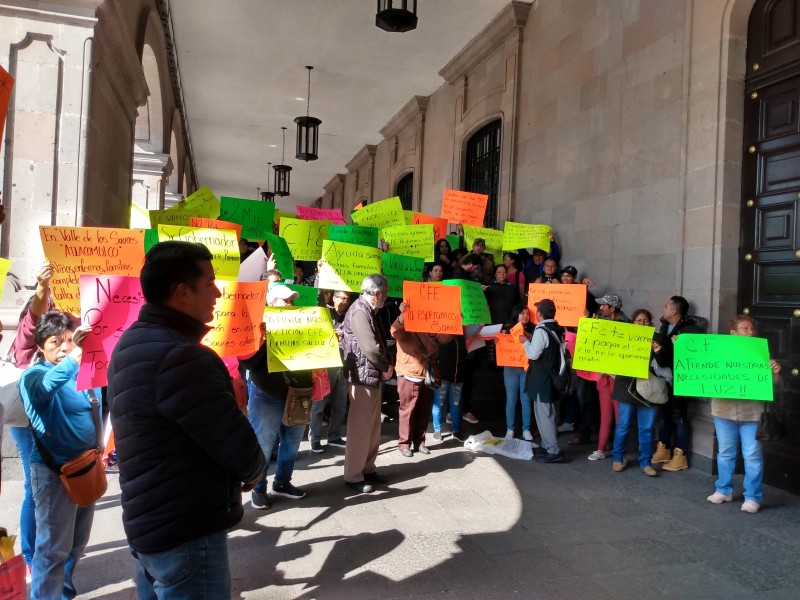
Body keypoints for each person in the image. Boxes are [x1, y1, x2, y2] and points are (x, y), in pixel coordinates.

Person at [107, 241, 266, 598]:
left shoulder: (132, 340)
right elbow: (234, 442)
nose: (218, 290)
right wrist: (253, 470)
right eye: (209, 282)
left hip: (152, 521)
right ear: (182, 293)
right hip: (185, 527)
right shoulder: (182, 356)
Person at [19, 311, 94, 599]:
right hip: (54, 474)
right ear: (40, 345)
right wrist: (76, 354)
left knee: (76, 544)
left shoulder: (84, 370)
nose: (64, 347)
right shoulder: (33, 376)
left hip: (86, 469)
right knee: (52, 550)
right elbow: (44, 390)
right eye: (55, 342)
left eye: (68, 340)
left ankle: (62, 592)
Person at [239, 282, 311, 509]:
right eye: (285, 301)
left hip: (298, 393)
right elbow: (248, 362)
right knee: (264, 444)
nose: (291, 304)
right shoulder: (257, 328)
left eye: (292, 301)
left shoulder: (304, 325)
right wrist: (263, 341)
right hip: (267, 394)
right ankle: (259, 488)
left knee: (291, 442)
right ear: (271, 304)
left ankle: (283, 482)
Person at [7, 263, 55, 578]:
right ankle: (30, 555)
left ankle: (49, 551)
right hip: (27, 421)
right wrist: (41, 289)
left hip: (58, 419)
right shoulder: (31, 328)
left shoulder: (73, 325)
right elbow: (36, 314)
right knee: (33, 485)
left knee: (51, 488)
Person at [707, 315, 781, 514]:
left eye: (751, 328)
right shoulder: (718, 351)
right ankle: (723, 490)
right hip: (723, 410)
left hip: (752, 413)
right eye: (744, 328)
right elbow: (700, 367)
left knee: (753, 455)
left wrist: (774, 371)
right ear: (733, 332)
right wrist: (680, 344)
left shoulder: (760, 353)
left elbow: (772, 382)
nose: (749, 332)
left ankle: (753, 497)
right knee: (725, 453)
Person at [341, 274, 394, 493]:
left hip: (369, 375)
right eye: (385, 293)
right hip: (363, 377)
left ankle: (368, 468)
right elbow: (370, 347)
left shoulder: (368, 310)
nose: (386, 297)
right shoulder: (361, 311)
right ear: (377, 294)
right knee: (360, 429)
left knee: (372, 427)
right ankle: (353, 476)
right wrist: (386, 366)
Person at [391, 302, 453, 457]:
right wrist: (404, 315)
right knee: (408, 410)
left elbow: (444, 338)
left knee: (424, 409)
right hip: (409, 372)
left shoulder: (432, 320)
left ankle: (420, 442)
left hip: (427, 373)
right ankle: (404, 443)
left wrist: (454, 322)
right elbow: (395, 332)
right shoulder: (406, 319)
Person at [651, 295, 704, 471]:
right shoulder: (665, 326)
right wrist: (658, 351)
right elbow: (665, 359)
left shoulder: (690, 330)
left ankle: (680, 455)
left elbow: (694, 355)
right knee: (664, 414)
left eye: (666, 307)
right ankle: (664, 448)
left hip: (681, 381)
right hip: (665, 378)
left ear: (674, 311)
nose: (663, 309)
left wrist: (678, 346)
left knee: (679, 416)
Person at [610, 311, 662, 476]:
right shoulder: (623, 339)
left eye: (645, 320)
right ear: (633, 323)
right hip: (627, 389)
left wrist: (659, 353)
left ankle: (645, 462)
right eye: (638, 320)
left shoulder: (658, 340)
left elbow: (664, 366)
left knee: (646, 429)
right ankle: (618, 458)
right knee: (623, 425)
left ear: (650, 324)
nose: (641, 323)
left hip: (649, 392)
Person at [586, 293, 630, 461]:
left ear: (612, 308)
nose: (601, 308)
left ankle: (620, 453)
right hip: (604, 378)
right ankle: (601, 449)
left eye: (604, 305)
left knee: (620, 418)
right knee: (605, 416)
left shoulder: (627, 326)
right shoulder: (603, 322)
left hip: (619, 379)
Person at [522, 299, 564, 463]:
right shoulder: (556, 328)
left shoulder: (542, 330)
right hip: (552, 378)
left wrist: (525, 342)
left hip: (542, 379)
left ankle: (553, 449)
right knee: (551, 413)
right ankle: (547, 445)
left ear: (539, 314)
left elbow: (533, 354)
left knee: (544, 415)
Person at [309, 289, 351, 453]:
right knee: (319, 405)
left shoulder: (350, 316)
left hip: (343, 365)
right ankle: (315, 440)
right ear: (333, 298)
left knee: (340, 405)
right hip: (325, 366)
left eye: (347, 299)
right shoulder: (324, 313)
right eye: (342, 298)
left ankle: (334, 437)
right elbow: (317, 300)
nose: (345, 301)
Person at [432, 323, 480, 442]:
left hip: (458, 376)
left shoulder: (462, 330)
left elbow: (476, 328)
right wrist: (454, 325)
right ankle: (437, 431)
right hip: (442, 375)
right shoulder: (440, 329)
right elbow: (442, 340)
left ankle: (457, 431)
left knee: (455, 404)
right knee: (439, 403)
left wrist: (482, 318)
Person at [503, 305, 535, 441]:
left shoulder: (533, 330)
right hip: (510, 368)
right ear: (516, 314)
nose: (525, 316)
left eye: (528, 313)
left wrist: (527, 335)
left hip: (525, 369)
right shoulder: (507, 329)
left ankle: (526, 429)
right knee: (511, 400)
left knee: (526, 400)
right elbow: (501, 345)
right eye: (522, 313)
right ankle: (510, 429)